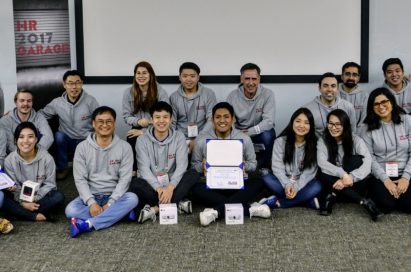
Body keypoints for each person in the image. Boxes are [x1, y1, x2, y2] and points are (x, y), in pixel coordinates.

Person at [190, 102, 271, 227]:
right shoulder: (202, 140)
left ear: (233, 119)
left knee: (259, 182)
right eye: (218, 117)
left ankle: (216, 211)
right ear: (212, 120)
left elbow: (253, 164)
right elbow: (194, 166)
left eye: (226, 117)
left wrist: (244, 166)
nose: (222, 120)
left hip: (236, 185)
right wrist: (203, 166)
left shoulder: (244, 139)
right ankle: (249, 208)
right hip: (212, 186)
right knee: (194, 188)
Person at [65, 106, 138, 238]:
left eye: (109, 121)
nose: (105, 125)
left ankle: (87, 224)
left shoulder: (124, 147)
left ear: (114, 124)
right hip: (90, 196)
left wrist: (111, 203)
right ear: (93, 123)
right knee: (70, 210)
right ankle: (120, 214)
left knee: (133, 198)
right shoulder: (82, 148)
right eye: (100, 121)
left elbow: (125, 179)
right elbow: (80, 179)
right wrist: (91, 203)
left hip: (115, 196)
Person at [128, 101, 199, 223]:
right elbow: (143, 169)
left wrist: (170, 187)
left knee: (193, 174)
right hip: (153, 187)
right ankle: (177, 203)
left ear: (171, 119)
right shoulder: (142, 140)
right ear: (151, 119)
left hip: (174, 184)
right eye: (157, 117)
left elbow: (182, 166)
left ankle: (155, 209)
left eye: (165, 117)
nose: (161, 121)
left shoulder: (179, 136)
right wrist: (159, 188)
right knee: (135, 183)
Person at [317, 109, 382, 220]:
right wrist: (343, 174)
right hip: (333, 183)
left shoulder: (355, 139)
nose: (333, 127)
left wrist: (351, 177)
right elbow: (322, 162)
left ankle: (331, 197)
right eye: (331, 124)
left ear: (345, 125)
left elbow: (368, 162)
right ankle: (363, 201)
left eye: (338, 124)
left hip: (353, 184)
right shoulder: (323, 140)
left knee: (357, 160)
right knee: (322, 172)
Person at [40, 70, 99, 180]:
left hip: (85, 139)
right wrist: (26, 115)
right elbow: (42, 114)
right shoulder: (57, 102)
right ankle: (63, 168)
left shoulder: (90, 101)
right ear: (64, 85)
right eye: (70, 83)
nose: (74, 87)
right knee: (58, 136)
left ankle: (89, 170)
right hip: (67, 139)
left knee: (87, 174)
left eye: (77, 83)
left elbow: (99, 120)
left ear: (81, 83)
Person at [361, 87, 411, 214]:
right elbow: (369, 158)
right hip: (381, 173)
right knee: (386, 205)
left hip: (406, 170)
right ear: (371, 107)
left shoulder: (407, 121)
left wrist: (406, 177)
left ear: (392, 103)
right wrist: (386, 180)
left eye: (384, 102)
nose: (381, 106)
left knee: (408, 204)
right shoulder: (366, 128)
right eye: (376, 104)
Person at [1, 122, 64, 221]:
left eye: (30, 137)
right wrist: (23, 202)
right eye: (21, 137)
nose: (26, 141)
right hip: (19, 198)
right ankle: (34, 215)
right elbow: (14, 186)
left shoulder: (47, 158)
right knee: (3, 198)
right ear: (15, 140)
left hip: (38, 197)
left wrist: (35, 198)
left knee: (58, 197)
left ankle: (20, 213)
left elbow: (50, 184)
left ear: (36, 139)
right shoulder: (9, 160)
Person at [261, 108, 321, 209]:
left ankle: (279, 202)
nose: (301, 126)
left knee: (318, 186)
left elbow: (309, 173)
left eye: (306, 123)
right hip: (282, 182)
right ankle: (305, 200)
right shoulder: (280, 142)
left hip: (303, 183)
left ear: (311, 126)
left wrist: (296, 188)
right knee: (266, 177)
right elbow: (277, 168)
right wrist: (288, 185)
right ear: (292, 122)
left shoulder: (315, 144)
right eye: (298, 121)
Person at [123, 61, 169, 175]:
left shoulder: (161, 92)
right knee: (131, 137)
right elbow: (126, 116)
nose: (141, 76)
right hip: (137, 126)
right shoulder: (128, 92)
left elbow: (165, 118)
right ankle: (134, 172)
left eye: (144, 73)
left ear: (151, 75)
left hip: (158, 127)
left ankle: (153, 171)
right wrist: (138, 121)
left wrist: (145, 131)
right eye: (138, 73)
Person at [227, 63, 276, 169]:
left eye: (254, 79)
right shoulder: (232, 96)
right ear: (241, 79)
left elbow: (268, 122)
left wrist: (249, 132)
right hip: (239, 131)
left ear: (259, 79)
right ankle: (236, 168)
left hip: (259, 131)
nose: (250, 83)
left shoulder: (268, 94)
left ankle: (263, 168)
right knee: (227, 135)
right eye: (247, 79)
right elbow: (229, 121)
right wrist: (237, 133)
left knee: (269, 135)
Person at [169, 62, 217, 154]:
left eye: (192, 76)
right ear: (179, 77)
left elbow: (211, 120)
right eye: (185, 76)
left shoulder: (209, 94)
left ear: (198, 77)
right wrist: (178, 141)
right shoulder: (173, 97)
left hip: (203, 137)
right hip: (180, 139)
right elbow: (172, 123)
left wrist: (198, 139)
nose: (189, 79)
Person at [0, 89, 53, 153]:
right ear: (16, 102)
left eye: (29, 101)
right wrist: (23, 156)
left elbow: (49, 137)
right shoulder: (5, 121)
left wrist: (35, 153)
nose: (25, 103)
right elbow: (9, 144)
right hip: (14, 157)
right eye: (22, 101)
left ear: (32, 103)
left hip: (36, 154)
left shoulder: (39, 118)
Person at [304, 72, 356, 137]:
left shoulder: (348, 107)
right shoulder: (307, 109)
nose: (329, 89)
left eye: (333, 86)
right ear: (319, 88)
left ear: (337, 89)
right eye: (325, 86)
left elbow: (352, 133)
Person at [338, 62, 368, 127]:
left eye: (354, 75)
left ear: (359, 78)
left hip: (357, 134)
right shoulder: (334, 93)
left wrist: (355, 135)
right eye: (347, 74)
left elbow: (363, 120)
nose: (351, 78)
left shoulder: (365, 95)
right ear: (342, 76)